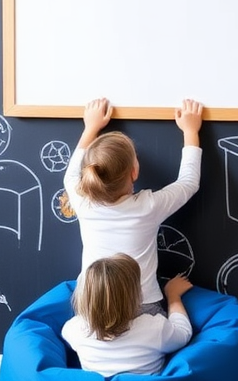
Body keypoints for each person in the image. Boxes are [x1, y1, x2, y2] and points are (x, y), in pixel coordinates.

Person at [63, 96, 203, 308]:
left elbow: (70, 175)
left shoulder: (83, 202)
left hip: (91, 305)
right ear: (134, 172)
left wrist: (90, 128)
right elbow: (189, 182)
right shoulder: (148, 206)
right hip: (141, 305)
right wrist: (190, 131)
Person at [61, 253, 194, 376]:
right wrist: (173, 296)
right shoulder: (154, 327)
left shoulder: (74, 329)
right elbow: (183, 332)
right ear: (135, 297)